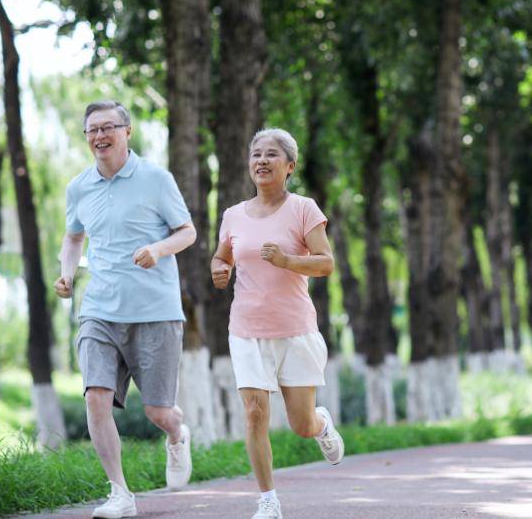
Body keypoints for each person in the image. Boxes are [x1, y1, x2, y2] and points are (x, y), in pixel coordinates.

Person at [55, 100, 196, 519]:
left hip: (155, 310)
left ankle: (176, 431)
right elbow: (73, 237)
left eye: (107, 127)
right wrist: (66, 274)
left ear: (126, 131)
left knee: (157, 411)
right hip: (99, 309)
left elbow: (187, 231)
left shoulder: (155, 178)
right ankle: (120, 493)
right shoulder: (79, 186)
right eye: (91, 130)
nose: (99, 136)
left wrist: (157, 248)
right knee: (96, 398)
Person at [210, 128, 344, 519]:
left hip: (294, 329)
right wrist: (219, 270)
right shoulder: (233, 214)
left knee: (300, 423)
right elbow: (223, 257)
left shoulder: (304, 208)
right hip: (247, 330)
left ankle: (321, 425)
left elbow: (326, 263)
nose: (262, 161)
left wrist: (287, 261)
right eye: (256, 154)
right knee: (254, 412)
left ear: (290, 166)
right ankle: (268, 499)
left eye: (271, 155)